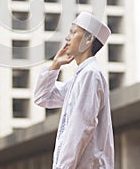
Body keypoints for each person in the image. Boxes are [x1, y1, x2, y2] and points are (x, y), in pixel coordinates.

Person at [34, 11, 114, 169]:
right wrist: (55, 65)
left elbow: (80, 128)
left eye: (73, 32)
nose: (67, 38)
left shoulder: (90, 74)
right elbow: (42, 97)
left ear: (88, 39)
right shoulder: (81, 77)